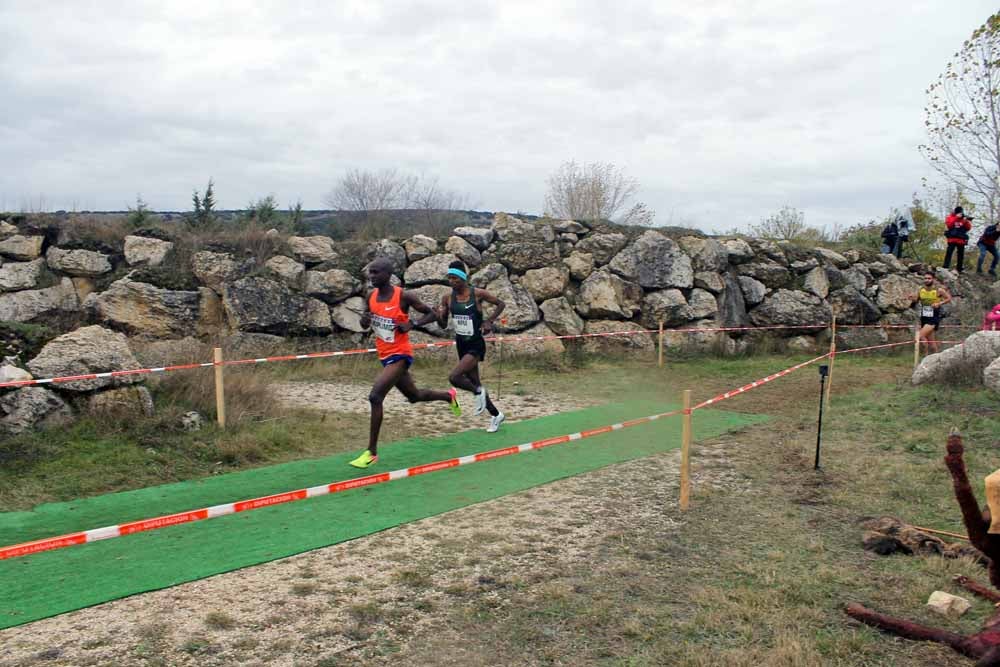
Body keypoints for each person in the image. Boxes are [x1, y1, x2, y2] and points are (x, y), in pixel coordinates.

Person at [350, 258, 461, 468]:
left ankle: (371, 452)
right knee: (414, 396)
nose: (372, 276)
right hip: (384, 354)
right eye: (370, 273)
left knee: (375, 396)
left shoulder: (404, 295)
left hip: (400, 355)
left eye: (376, 272)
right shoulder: (370, 296)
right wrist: (365, 321)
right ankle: (449, 396)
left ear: (388, 274)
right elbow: (366, 324)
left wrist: (412, 324)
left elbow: (433, 314)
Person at [437, 260, 507, 433]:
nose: (452, 282)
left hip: (475, 343)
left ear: (463, 279)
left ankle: (478, 392)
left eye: (455, 279)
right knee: (475, 381)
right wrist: (439, 314)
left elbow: (501, 304)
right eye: (449, 278)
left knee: (454, 377)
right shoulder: (447, 298)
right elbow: (443, 324)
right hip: (461, 343)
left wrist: (489, 321)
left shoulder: (477, 294)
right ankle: (496, 415)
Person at [910, 271, 952, 354]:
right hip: (924, 316)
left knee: (920, 336)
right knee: (932, 343)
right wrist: (911, 298)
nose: (927, 280)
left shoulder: (938, 290)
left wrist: (939, 303)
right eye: (925, 278)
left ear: (933, 279)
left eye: (929, 278)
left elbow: (948, 298)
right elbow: (916, 300)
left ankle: (925, 359)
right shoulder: (921, 290)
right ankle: (937, 360)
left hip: (933, 317)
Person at [943, 206, 972, 273]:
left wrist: (966, 220)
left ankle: (959, 268)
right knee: (949, 252)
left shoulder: (963, 219)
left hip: (961, 239)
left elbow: (968, 228)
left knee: (961, 255)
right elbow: (949, 225)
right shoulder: (950, 217)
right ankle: (945, 266)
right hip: (952, 239)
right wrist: (956, 218)